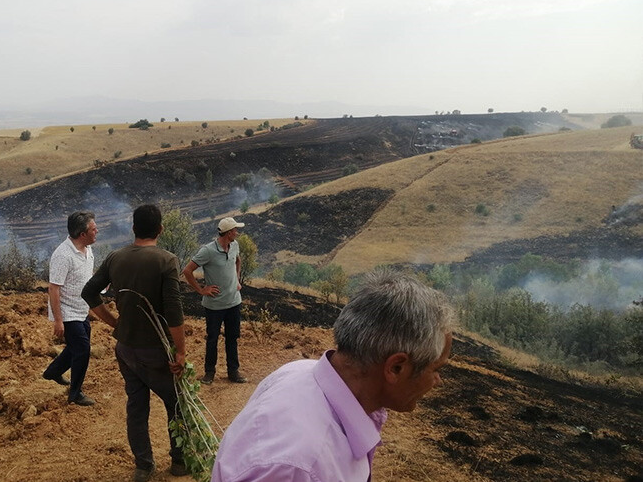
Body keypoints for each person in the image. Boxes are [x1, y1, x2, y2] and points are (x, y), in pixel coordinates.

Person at [211, 269, 454, 482]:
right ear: (396, 367)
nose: (437, 381)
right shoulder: (297, 468)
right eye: (437, 369)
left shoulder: (300, 370)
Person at [82, 204, 189, 482]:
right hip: (157, 351)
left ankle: (144, 466)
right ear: (161, 230)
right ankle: (178, 462)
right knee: (176, 404)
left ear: (133, 229)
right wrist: (180, 351)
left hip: (126, 349)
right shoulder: (166, 260)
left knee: (136, 405)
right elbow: (174, 312)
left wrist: (115, 322)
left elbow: (89, 292)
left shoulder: (116, 257)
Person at [42, 211, 99, 406]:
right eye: (93, 229)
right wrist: (58, 320)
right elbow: (54, 288)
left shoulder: (88, 249)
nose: (97, 231)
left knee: (76, 347)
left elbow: (87, 275)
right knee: (82, 349)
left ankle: (53, 372)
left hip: (81, 308)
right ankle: (75, 393)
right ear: (83, 234)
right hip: (67, 311)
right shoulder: (63, 255)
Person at [182, 216, 247, 384]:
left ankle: (233, 372)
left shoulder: (235, 246)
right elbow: (187, 271)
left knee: (232, 338)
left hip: (234, 302)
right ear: (228, 233)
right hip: (215, 306)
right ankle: (209, 373)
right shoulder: (208, 250)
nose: (237, 233)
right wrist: (201, 290)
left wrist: (237, 280)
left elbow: (238, 261)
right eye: (235, 230)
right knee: (212, 339)